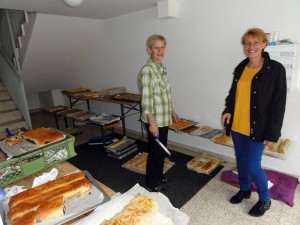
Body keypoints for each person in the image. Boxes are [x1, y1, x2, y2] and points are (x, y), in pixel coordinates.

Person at [221, 28, 286, 217]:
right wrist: (228, 109)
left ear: (264, 44)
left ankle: (265, 199)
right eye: (248, 43)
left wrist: (273, 133)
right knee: (241, 162)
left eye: (256, 42)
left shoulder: (275, 69)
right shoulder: (241, 68)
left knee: (252, 166)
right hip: (238, 125)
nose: (252, 47)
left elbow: (279, 103)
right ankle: (244, 189)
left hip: (258, 128)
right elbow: (234, 94)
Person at [138, 34, 180, 192]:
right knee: (155, 152)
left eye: (162, 47)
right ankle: (151, 182)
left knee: (161, 150)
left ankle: (160, 176)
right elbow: (147, 99)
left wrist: (172, 110)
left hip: (164, 117)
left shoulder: (161, 68)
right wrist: (152, 123)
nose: (160, 50)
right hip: (154, 119)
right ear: (149, 50)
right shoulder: (148, 70)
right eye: (156, 47)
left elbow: (164, 95)